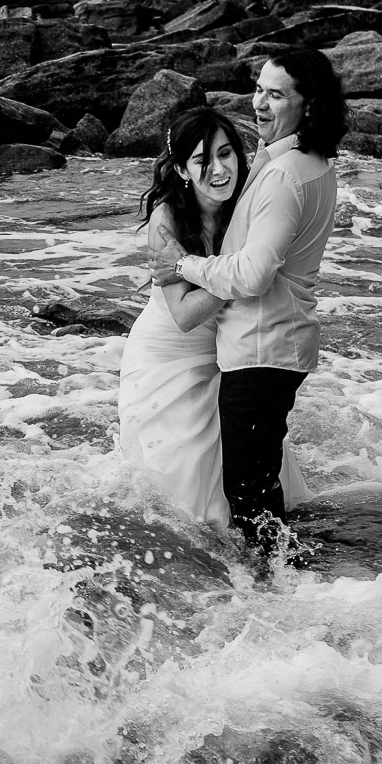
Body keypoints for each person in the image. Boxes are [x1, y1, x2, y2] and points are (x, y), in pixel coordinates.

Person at [151, 47, 344, 557]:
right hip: (277, 344)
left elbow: (255, 273)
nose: (259, 102)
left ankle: (285, 585)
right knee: (256, 485)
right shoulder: (310, 162)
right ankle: (285, 574)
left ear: (309, 104)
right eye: (258, 88)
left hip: (262, 349)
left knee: (247, 492)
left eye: (276, 94)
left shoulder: (284, 174)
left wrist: (184, 266)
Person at [118, 106, 308, 538]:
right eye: (203, 160)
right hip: (168, 356)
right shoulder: (167, 219)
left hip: (226, 350)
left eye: (226, 154)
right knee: (185, 489)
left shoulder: (246, 201)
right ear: (183, 170)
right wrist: (243, 275)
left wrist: (225, 270)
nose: (219, 169)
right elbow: (185, 315)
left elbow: (279, 153)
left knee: (244, 469)